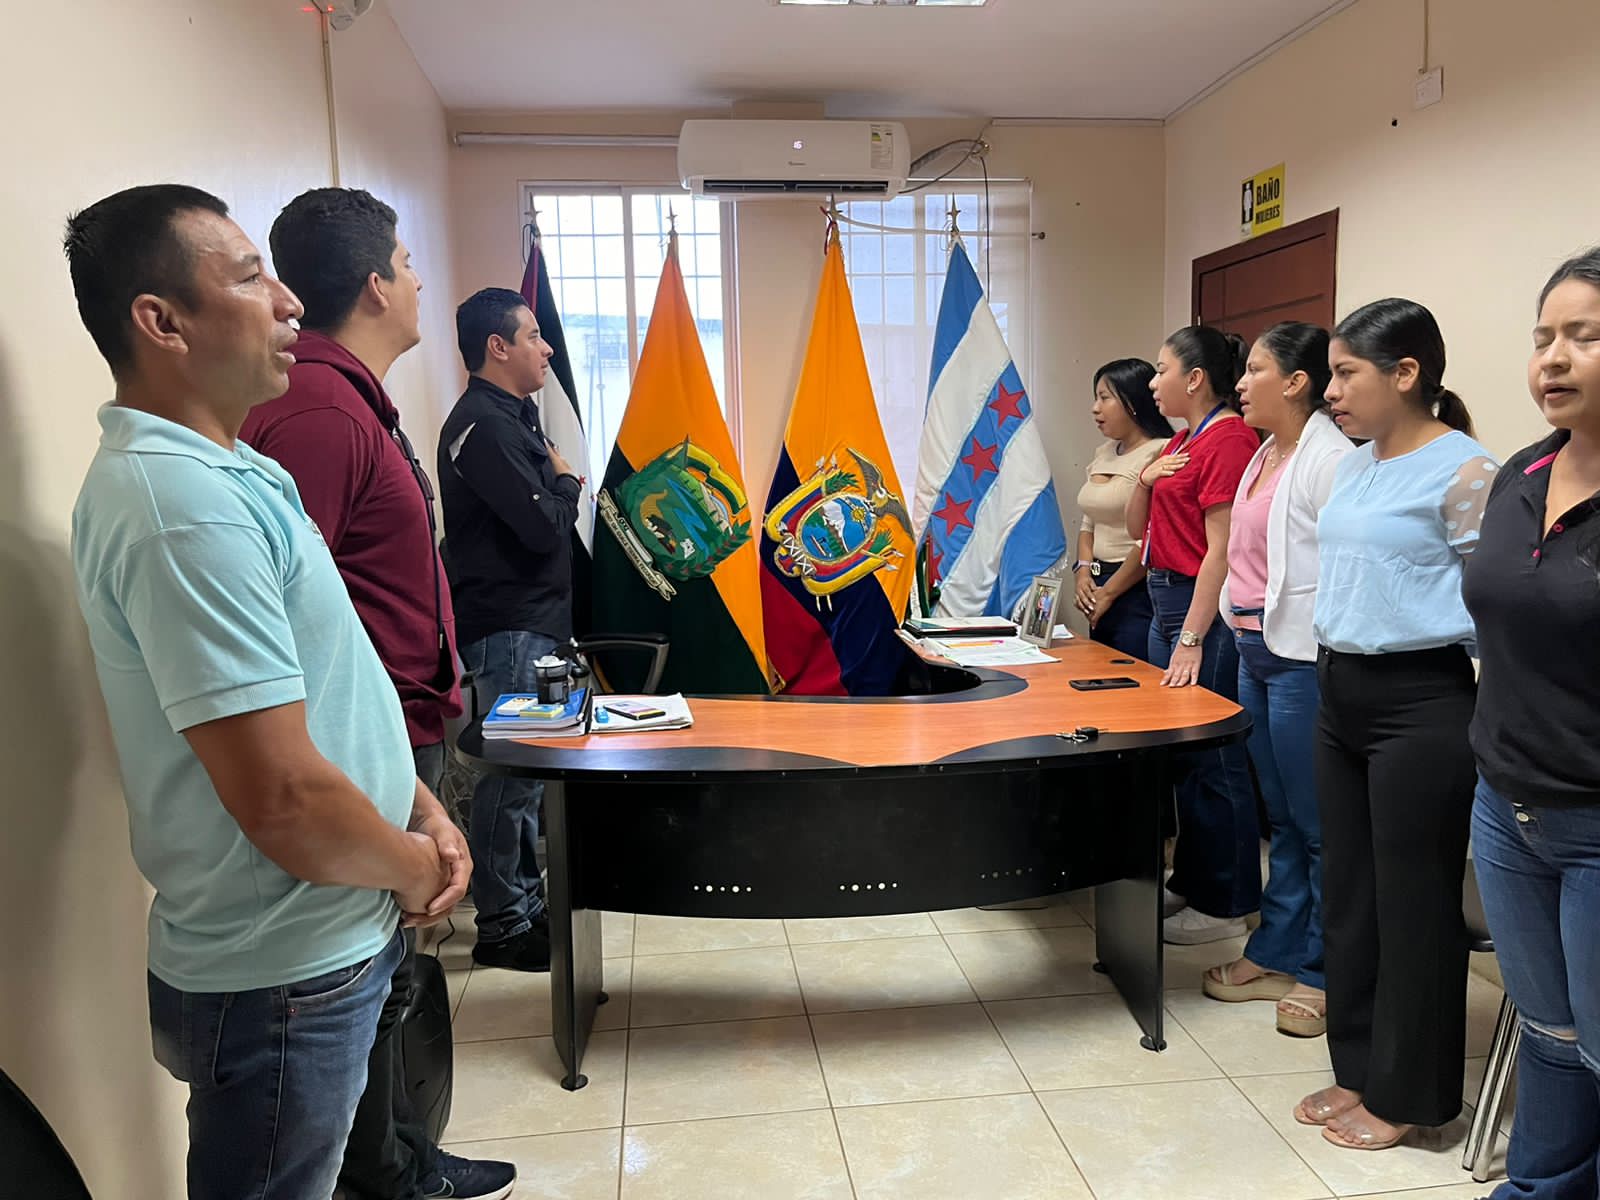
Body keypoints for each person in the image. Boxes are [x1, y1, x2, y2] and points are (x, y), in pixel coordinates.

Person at [65, 184, 464, 1199]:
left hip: (321, 932)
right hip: (281, 967)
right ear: (162, 323)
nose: (289, 302)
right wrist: (413, 869)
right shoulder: (183, 507)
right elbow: (280, 796)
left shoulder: (235, 467)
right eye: (250, 278)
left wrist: (417, 804)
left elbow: (332, 673)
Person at [240, 189, 514, 1200]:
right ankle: (385, 1178)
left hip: (400, 731)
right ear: (372, 284)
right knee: (367, 982)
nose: (418, 279)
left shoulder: (349, 399)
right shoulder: (316, 410)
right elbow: (288, 607)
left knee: (390, 974)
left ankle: (402, 1158)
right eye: (406, 262)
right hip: (364, 740)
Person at [1296, 297, 1497, 1151]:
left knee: (1414, 903)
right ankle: (1359, 1069)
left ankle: (1411, 1094)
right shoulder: (1357, 465)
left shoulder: (1467, 471)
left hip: (1421, 700)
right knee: (1351, 895)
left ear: (1406, 373)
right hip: (1339, 689)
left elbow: (1496, 609)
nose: (1331, 391)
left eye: (1346, 374)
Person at [1463, 248, 1600, 1197]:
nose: (1553, 357)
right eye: (1543, 336)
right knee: (1551, 1035)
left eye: (1584, 336)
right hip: (1506, 807)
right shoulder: (1523, 469)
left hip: (1595, 820)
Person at [1205, 322, 1351, 1038]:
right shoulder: (1265, 452)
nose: (1240, 383)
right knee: (1282, 817)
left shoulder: (1332, 458)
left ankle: (1324, 971)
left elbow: (1342, 568)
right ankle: (1276, 951)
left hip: (1300, 659)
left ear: (1296, 382)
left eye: (1255, 370)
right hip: (1253, 648)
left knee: (1319, 824)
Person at [439, 287, 581, 972]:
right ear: (497, 347)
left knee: (528, 778)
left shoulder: (512, 420)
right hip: (510, 628)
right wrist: (567, 483)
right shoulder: (485, 426)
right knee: (512, 776)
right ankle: (502, 925)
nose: (546, 348)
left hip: (533, 625)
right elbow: (544, 527)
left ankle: (523, 906)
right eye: (532, 336)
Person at [1125, 325, 1262, 946]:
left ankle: (1228, 901)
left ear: (1195, 377)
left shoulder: (1229, 440)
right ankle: (1192, 879)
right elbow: (1139, 529)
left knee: (1215, 757)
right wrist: (1145, 478)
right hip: (1163, 600)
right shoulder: (1183, 439)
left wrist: (1192, 637)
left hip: (1197, 608)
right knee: (1183, 756)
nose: (1153, 382)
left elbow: (1221, 552)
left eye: (1161, 370)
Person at [1072, 357, 1171, 658]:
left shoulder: (1161, 451)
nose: (1095, 408)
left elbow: (1152, 536)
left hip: (1133, 588)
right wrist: (1083, 573)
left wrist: (1110, 592)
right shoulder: (1103, 452)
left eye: (1105, 398)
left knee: (1130, 673)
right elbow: (1088, 523)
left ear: (1132, 402)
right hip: (1097, 583)